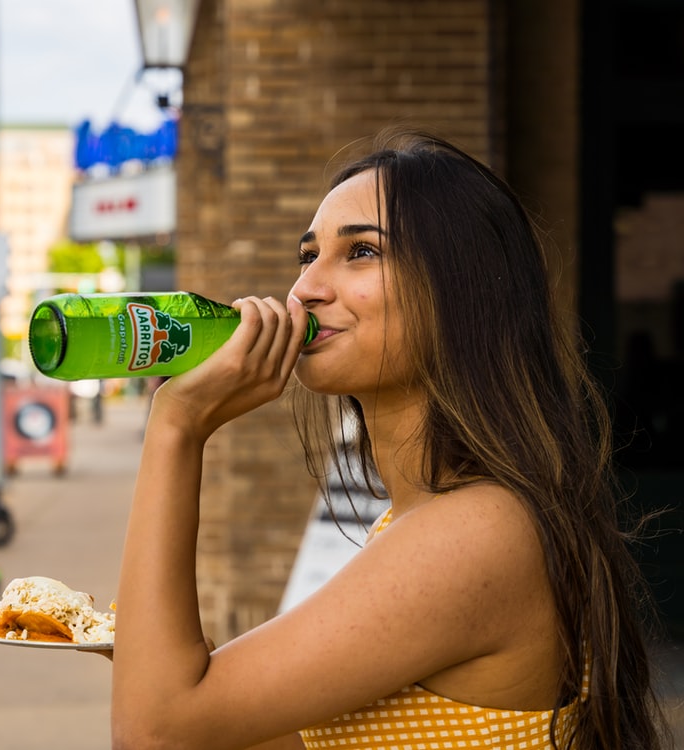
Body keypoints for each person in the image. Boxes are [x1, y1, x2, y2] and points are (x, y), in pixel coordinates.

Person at [110, 129, 670, 749]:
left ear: (464, 288)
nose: (305, 290)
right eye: (307, 256)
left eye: (361, 253)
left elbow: (154, 735)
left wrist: (177, 426)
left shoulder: (476, 530)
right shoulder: (423, 519)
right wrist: (152, 655)